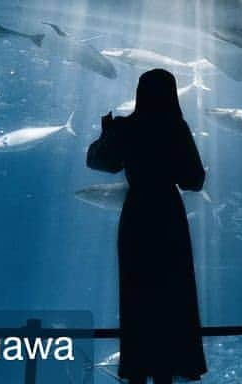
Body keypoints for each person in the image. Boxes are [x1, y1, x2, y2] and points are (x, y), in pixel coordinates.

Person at [87, 68, 208, 384]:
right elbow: (194, 180)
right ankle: (167, 372)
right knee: (171, 296)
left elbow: (100, 162)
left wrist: (106, 134)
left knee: (136, 294)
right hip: (168, 216)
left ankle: (137, 371)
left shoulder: (127, 126)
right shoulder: (176, 127)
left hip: (137, 216)